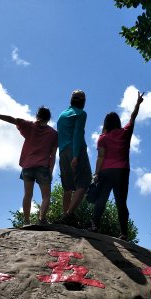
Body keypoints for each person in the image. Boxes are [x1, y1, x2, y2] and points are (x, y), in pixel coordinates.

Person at [0, 106, 58, 226]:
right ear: (49, 118)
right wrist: (50, 170)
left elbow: (12, 119)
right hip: (42, 167)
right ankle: (42, 220)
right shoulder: (54, 134)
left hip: (27, 166)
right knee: (46, 196)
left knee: (27, 195)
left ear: (37, 115)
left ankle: (27, 222)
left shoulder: (30, 126)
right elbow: (53, 155)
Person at [91, 91, 144, 240]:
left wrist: (96, 173)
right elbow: (133, 117)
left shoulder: (103, 138)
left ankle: (94, 225)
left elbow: (100, 156)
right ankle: (123, 233)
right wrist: (137, 104)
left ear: (106, 124)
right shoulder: (125, 132)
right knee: (121, 202)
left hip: (106, 171)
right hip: (122, 171)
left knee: (101, 199)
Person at [56, 89, 92, 223]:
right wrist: (76, 155)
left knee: (68, 187)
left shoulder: (62, 115)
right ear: (83, 102)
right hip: (76, 150)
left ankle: (64, 216)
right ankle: (68, 215)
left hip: (63, 152)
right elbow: (77, 134)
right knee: (85, 181)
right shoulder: (81, 114)